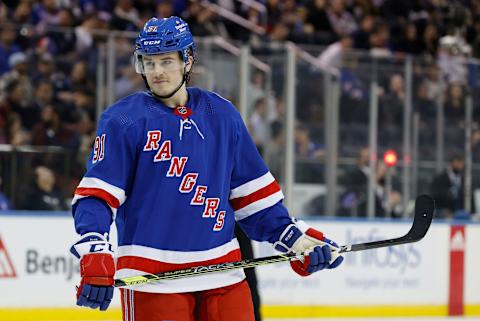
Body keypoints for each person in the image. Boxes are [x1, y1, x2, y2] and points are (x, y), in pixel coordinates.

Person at [69, 16, 344, 321]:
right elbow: (98, 194)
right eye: (149, 63)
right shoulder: (123, 120)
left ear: (187, 61)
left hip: (224, 276)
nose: (157, 72)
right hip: (154, 280)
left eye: (166, 61)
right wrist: (94, 246)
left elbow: (253, 200)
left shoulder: (221, 114)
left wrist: (295, 239)